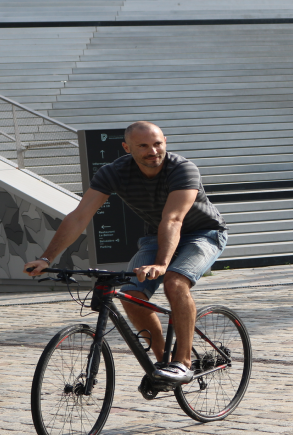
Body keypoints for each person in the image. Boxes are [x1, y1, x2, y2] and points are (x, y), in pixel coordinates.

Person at [25, 121, 227, 385]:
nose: (152, 151)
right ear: (126, 147)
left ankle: (182, 363)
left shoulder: (182, 169)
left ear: (165, 141)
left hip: (204, 234)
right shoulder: (114, 172)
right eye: (143, 146)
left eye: (157, 143)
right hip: (156, 236)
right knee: (131, 294)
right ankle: (163, 366)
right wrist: (46, 258)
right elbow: (79, 217)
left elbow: (174, 219)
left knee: (175, 282)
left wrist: (162, 264)